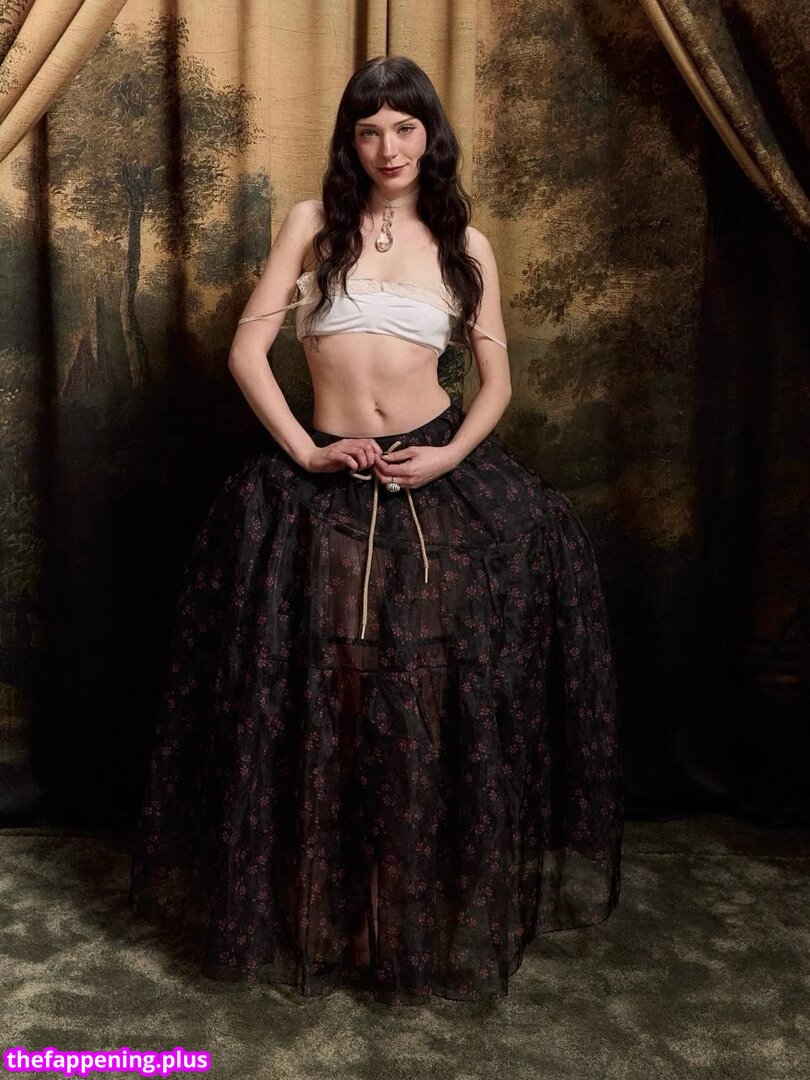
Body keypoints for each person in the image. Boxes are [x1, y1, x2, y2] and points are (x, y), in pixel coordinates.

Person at [129, 54, 623, 1006]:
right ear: (350, 140)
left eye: (405, 127)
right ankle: (330, 903)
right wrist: (305, 450)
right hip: (324, 483)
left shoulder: (466, 243)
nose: (389, 146)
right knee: (334, 693)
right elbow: (246, 351)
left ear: (430, 135)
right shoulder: (312, 224)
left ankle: (403, 910)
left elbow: (498, 384)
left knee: (423, 693)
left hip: (431, 481)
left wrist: (450, 457)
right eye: (369, 129)